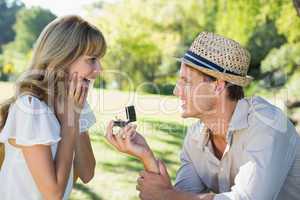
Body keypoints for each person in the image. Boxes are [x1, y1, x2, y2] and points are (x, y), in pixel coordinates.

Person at [105, 32, 300, 200]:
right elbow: (177, 196)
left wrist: (168, 195)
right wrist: (146, 155)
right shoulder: (195, 137)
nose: (176, 91)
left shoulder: (267, 125)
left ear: (217, 86)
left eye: (186, 82)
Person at [0, 15, 106, 200]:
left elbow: (87, 173)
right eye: (92, 59)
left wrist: (75, 115)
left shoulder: (76, 103)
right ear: (63, 58)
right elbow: (53, 194)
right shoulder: (30, 107)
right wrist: (69, 123)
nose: (99, 69)